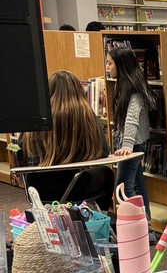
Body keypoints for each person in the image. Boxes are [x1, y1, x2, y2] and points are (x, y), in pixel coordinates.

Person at [20, 69, 110, 205]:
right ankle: (101, 218)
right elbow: (103, 152)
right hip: (75, 186)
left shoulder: (38, 116)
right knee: (106, 173)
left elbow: (22, 150)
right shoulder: (85, 114)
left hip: (37, 188)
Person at [105, 45, 157, 222]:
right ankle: (147, 223)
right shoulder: (123, 85)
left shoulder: (135, 89)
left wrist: (126, 146)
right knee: (139, 185)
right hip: (131, 142)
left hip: (133, 143)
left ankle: (139, 225)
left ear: (121, 65)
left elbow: (132, 118)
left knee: (124, 187)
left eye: (110, 63)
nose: (108, 67)